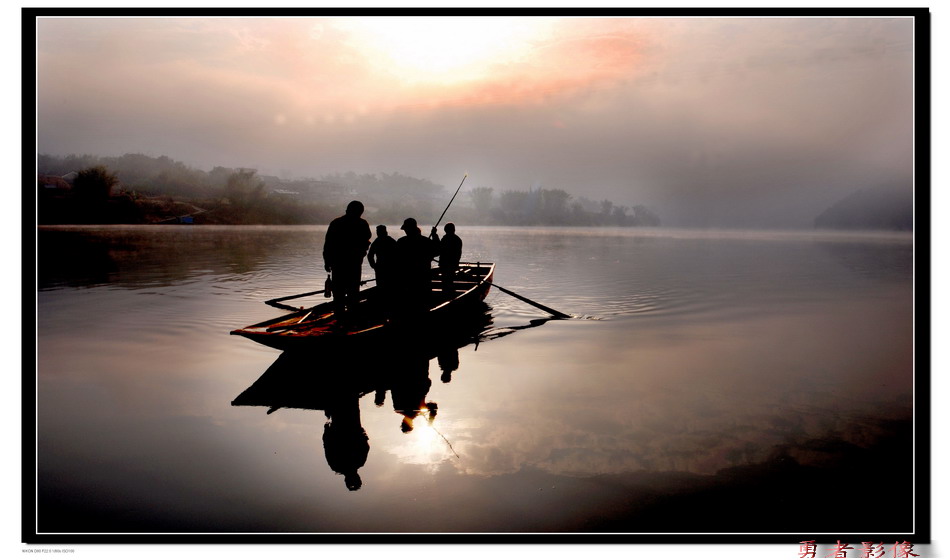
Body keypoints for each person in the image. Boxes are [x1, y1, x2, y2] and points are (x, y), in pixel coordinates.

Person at [322, 201, 371, 316]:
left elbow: (328, 245)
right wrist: (361, 253)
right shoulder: (362, 224)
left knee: (338, 291)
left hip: (338, 263)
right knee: (353, 290)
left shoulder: (336, 223)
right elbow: (366, 241)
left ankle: (339, 315)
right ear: (360, 212)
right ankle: (352, 316)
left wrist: (327, 261)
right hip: (354, 263)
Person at [396, 218, 437, 316]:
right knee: (422, 303)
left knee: (409, 303)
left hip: (407, 279)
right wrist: (434, 235)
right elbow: (437, 251)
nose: (405, 231)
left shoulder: (401, 242)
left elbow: (395, 260)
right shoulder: (425, 241)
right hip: (422, 278)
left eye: (406, 229)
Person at [430, 222, 462, 292]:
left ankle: (447, 294)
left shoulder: (446, 239)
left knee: (446, 282)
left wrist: (434, 234)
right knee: (448, 281)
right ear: (454, 230)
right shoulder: (457, 239)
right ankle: (450, 294)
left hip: (445, 265)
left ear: (445, 230)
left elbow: (439, 248)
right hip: (453, 264)